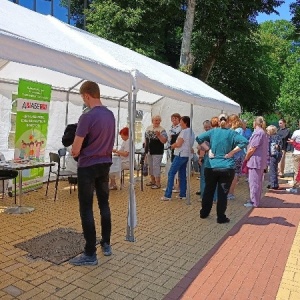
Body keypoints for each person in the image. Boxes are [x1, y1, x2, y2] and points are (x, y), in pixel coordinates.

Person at [69, 81, 115, 266]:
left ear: (87, 95)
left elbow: (75, 149)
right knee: (104, 204)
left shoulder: (86, 117)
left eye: (83, 98)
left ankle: (90, 254)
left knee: (86, 208)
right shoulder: (110, 115)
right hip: (105, 164)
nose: (84, 101)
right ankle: (106, 244)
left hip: (88, 166)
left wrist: (75, 151)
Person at [196, 114, 248, 223]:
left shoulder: (213, 131)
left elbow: (199, 138)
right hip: (226, 167)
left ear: (218, 122)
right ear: (228, 121)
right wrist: (232, 152)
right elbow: (244, 142)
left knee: (208, 191)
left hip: (211, 166)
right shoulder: (232, 133)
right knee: (222, 194)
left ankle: (204, 213)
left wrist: (208, 149)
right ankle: (221, 217)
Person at [161, 116, 195, 200]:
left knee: (171, 173)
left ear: (185, 122)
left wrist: (172, 146)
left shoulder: (184, 131)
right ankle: (182, 194)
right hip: (186, 155)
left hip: (180, 154)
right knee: (182, 174)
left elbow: (179, 144)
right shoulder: (191, 132)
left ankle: (167, 195)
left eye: (181, 121)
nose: (180, 123)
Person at [244, 116, 269, 208]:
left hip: (255, 161)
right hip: (260, 161)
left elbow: (252, 148)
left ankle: (254, 201)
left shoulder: (258, 133)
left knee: (254, 182)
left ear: (255, 123)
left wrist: (246, 157)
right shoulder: (264, 133)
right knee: (257, 182)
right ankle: (255, 200)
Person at [144, 115, 168, 189]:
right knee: (150, 166)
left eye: (158, 120)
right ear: (152, 121)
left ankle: (158, 183)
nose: (157, 122)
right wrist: (145, 150)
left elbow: (164, 141)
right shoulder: (148, 128)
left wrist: (159, 135)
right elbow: (146, 139)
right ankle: (152, 181)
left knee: (156, 166)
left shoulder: (162, 130)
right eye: (156, 120)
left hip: (157, 151)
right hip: (149, 151)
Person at [227, 114, 246, 200]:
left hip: (236, 155)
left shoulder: (239, 130)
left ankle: (231, 193)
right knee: (233, 173)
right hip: (235, 155)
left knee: (234, 174)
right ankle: (230, 192)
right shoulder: (237, 129)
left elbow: (239, 142)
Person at [266, 125, 282, 190]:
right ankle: (273, 183)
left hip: (273, 155)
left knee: (272, 170)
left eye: (268, 131)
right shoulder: (277, 137)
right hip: (276, 155)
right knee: (273, 169)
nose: (267, 132)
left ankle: (274, 185)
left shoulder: (271, 137)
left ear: (271, 131)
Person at [287, 120, 300, 192]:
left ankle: (295, 187)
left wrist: (293, 142)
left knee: (296, 170)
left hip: (297, 153)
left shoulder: (296, 132)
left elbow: (292, 140)